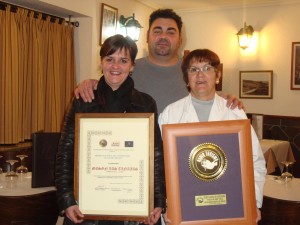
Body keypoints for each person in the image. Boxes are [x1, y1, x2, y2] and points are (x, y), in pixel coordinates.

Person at [55, 34, 166, 225]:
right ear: (101, 62)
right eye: (110, 59)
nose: (115, 66)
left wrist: (157, 200)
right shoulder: (83, 100)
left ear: (132, 66)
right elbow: (65, 153)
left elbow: (156, 156)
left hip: (134, 206)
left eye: (123, 61)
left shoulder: (146, 103)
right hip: (87, 206)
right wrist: (66, 199)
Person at [158, 49, 267, 222]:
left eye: (207, 68)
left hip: (229, 205)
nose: (200, 75)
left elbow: (255, 163)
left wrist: (253, 202)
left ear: (218, 76)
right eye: (193, 70)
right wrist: (165, 204)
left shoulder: (235, 113)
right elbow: (160, 166)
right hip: (183, 207)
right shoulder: (170, 114)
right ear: (186, 78)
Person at [74, 9, 244, 114]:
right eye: (157, 31)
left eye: (170, 32)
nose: (163, 36)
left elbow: (206, 103)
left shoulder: (193, 73)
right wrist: (91, 84)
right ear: (147, 37)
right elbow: (107, 90)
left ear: (180, 39)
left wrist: (224, 100)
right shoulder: (126, 69)